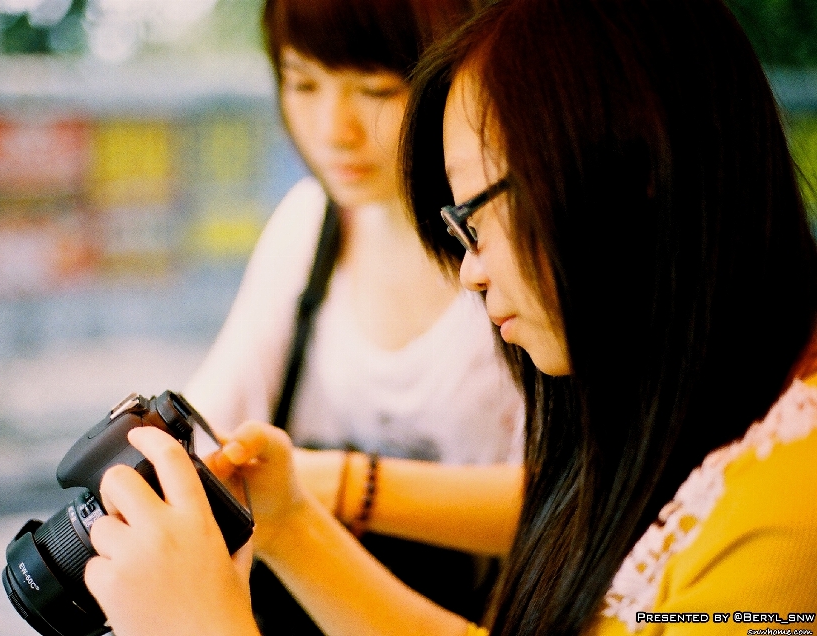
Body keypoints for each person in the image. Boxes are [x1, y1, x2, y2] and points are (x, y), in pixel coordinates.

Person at [83, 0, 817, 635]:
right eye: (302, 84)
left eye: (476, 220)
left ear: (633, 169)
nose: (470, 271)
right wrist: (292, 525)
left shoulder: (784, 521)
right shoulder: (713, 447)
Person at [180, 0, 524, 631]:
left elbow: (565, 503)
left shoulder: (514, 255)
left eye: (375, 89)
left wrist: (325, 486)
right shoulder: (308, 225)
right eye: (303, 83)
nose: (334, 128)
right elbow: (213, 415)